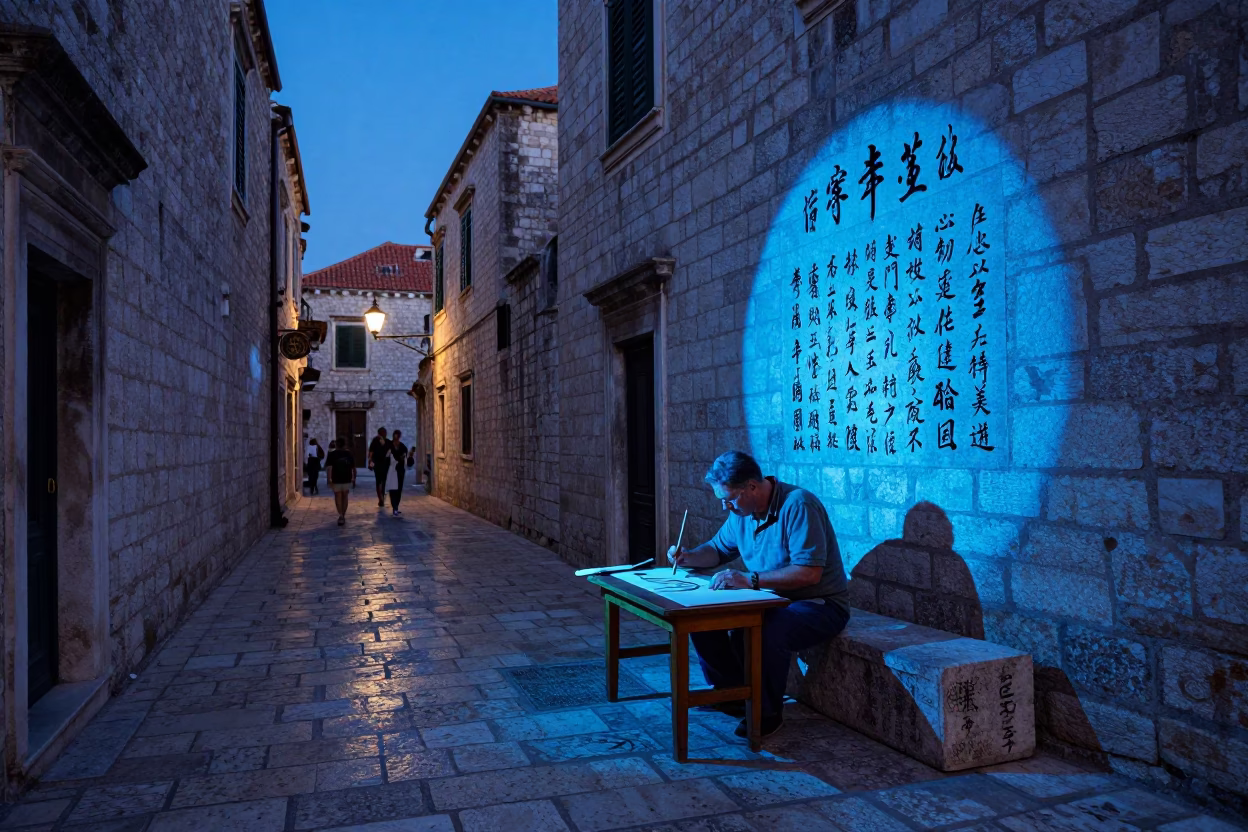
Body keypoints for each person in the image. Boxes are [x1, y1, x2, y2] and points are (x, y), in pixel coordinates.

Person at [669, 450, 849, 740]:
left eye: (729, 499)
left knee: (767, 626)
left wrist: (749, 579)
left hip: (817, 603)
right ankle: (732, 693)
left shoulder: (798, 505)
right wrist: (688, 556)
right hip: (768, 598)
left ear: (752, 486)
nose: (726, 507)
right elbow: (716, 550)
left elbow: (808, 573)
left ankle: (765, 712)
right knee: (700, 616)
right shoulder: (743, 512)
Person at [325, 436, 356, 526]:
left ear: (337, 445)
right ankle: (343, 514)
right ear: (345, 444)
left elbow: (329, 468)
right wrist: (354, 478)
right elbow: (353, 468)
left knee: (338, 496)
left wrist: (329, 479)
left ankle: (341, 515)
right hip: (347, 478)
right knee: (345, 496)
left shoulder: (332, 454)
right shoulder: (349, 454)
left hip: (336, 478)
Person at [385, 429, 414, 516]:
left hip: (400, 470)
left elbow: (407, 461)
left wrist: (410, 456)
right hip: (392, 470)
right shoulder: (389, 446)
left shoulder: (403, 447)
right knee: (393, 488)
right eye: (395, 437)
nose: (396, 439)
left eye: (397, 437)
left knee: (398, 489)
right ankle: (395, 507)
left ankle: (396, 506)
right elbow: (386, 457)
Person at [368, 427, 391, 509]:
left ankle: (381, 498)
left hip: (384, 464)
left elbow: (390, 452)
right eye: (383, 432)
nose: (385, 434)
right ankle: (381, 498)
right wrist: (370, 462)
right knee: (379, 480)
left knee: (382, 480)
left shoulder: (388, 442)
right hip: (378, 463)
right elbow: (371, 452)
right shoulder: (375, 441)